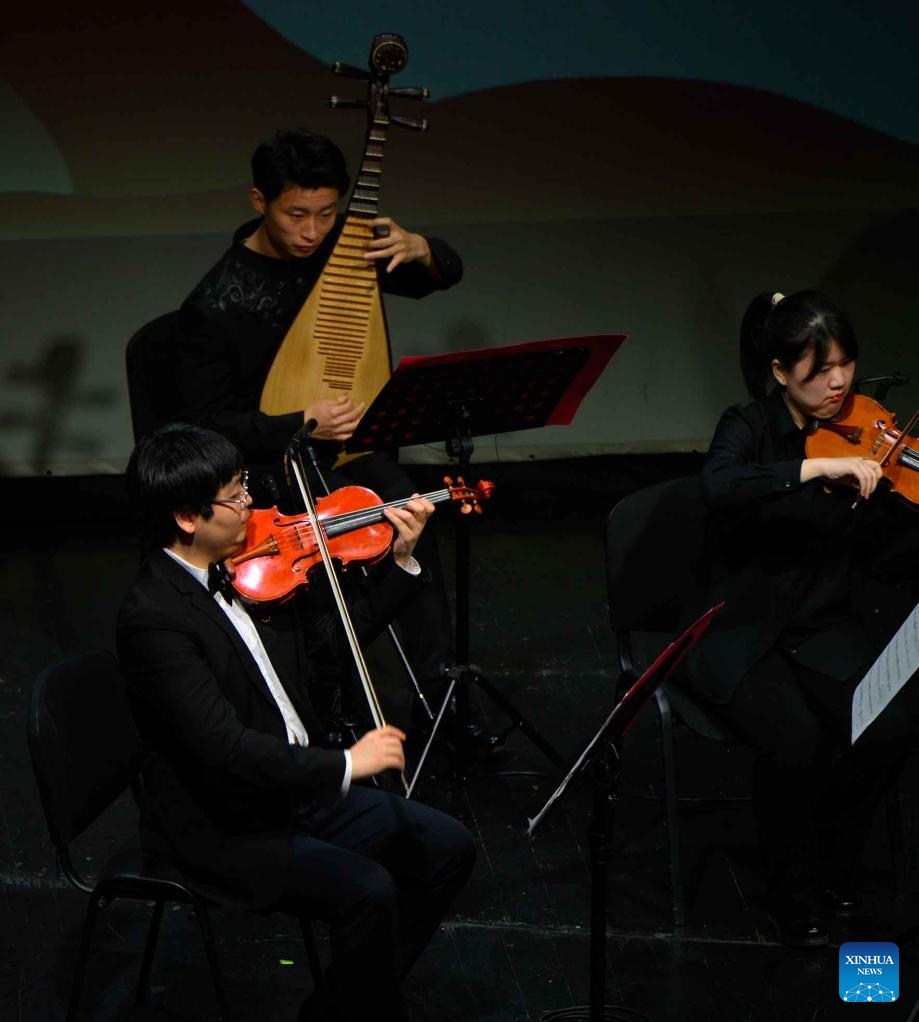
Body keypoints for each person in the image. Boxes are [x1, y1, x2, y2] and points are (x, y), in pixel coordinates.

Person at [117, 423, 476, 1021]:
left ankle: (336, 1009)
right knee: (368, 890)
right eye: (236, 498)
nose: (253, 507)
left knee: (448, 849)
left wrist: (402, 561)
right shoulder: (155, 620)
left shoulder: (243, 574)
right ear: (187, 517)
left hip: (290, 792)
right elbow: (223, 750)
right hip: (223, 824)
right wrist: (344, 763)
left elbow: (335, 651)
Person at [172, 129, 489, 743]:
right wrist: (299, 423)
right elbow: (201, 421)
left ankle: (444, 695)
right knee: (325, 560)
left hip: (349, 454)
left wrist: (424, 248)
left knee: (406, 511)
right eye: (296, 214)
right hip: (266, 467)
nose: (312, 232)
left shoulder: (342, 251)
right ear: (258, 200)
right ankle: (330, 688)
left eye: (326, 213)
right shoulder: (217, 302)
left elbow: (437, 272)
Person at [681, 290, 919, 947]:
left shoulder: (869, 426)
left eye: (844, 363)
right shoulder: (747, 424)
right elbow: (717, 487)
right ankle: (788, 895)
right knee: (791, 739)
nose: (838, 382)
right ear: (782, 372)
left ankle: (833, 871)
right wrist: (814, 466)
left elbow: (886, 556)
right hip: (742, 628)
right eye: (818, 370)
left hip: (822, 622)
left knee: (888, 725)